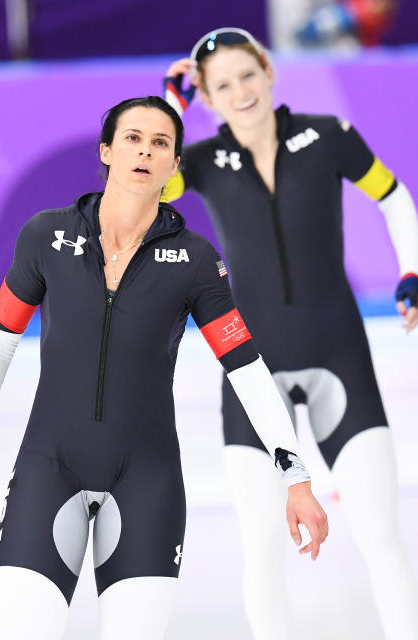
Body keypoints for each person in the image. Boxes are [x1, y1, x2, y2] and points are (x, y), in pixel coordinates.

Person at [0, 96, 328, 640]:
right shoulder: (45, 237)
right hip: (48, 468)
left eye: (161, 143)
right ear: (106, 150)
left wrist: (296, 477)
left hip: (147, 481)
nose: (145, 151)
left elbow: (245, 367)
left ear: (174, 167)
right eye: (133, 139)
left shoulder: (195, 261)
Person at [162, 28, 418, 640]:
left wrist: (411, 270)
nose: (240, 91)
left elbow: (393, 196)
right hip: (251, 371)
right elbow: (142, 181)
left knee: (382, 535)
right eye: (221, 85)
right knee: (263, 540)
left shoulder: (329, 136)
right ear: (208, 97)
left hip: (340, 356)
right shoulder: (196, 163)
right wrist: (173, 104)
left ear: (269, 70)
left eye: (247, 75)